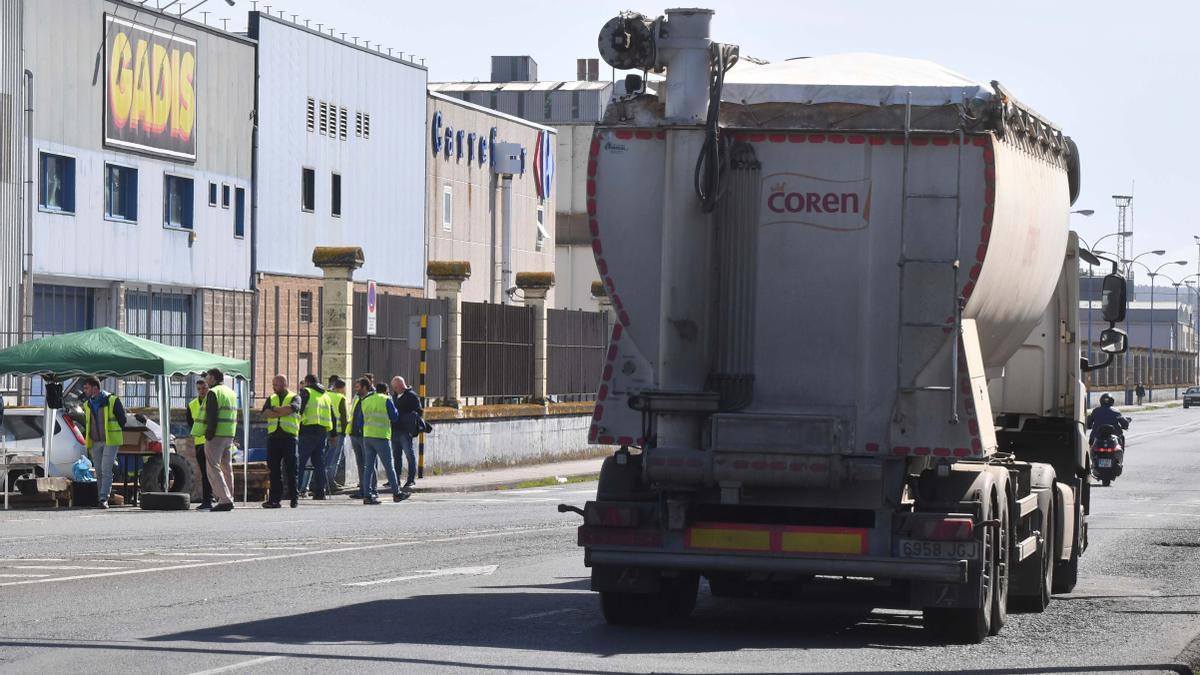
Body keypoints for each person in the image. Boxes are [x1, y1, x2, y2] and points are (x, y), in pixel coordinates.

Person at [354, 377, 407, 504]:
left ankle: (367, 495)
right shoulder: (386, 399)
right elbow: (394, 417)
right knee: (389, 466)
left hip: (367, 437)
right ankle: (397, 493)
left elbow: (359, 421)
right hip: (382, 437)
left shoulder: (364, 401)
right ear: (386, 391)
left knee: (368, 467)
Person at [81, 376, 126, 509]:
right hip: (95, 441)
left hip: (110, 441)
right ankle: (100, 498)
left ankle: (103, 498)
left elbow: (122, 421)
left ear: (95, 388)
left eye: (86, 388)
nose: (84, 391)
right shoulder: (87, 404)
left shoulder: (112, 400)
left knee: (106, 470)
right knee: (99, 471)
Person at [261, 374, 301, 508]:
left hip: (289, 437)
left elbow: (292, 409)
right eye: (273, 384)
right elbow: (266, 413)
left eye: (276, 385)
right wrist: (280, 411)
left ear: (284, 384)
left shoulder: (295, 397)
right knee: (274, 470)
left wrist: (276, 410)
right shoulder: (271, 398)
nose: (273, 387)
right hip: (273, 438)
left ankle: (294, 498)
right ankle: (274, 499)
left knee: (291, 469)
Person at [203, 368, 239, 511]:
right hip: (229, 434)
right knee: (226, 467)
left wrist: (209, 432)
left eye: (207, 377)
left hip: (216, 435)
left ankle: (224, 499)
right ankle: (230, 497)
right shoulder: (231, 392)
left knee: (213, 467)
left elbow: (212, 415)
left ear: (212, 378)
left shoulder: (214, 392)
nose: (206, 379)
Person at [296, 374, 332, 500]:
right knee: (319, 463)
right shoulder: (326, 395)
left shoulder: (306, 392)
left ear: (307, 382)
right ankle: (320, 491)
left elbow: (299, 410)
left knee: (300, 462)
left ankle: (296, 489)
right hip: (322, 432)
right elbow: (332, 415)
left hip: (308, 431)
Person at [185, 380, 214, 511]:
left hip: (212, 441)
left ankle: (211, 498)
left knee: (213, 471)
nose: (202, 391)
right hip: (199, 442)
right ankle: (208, 499)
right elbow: (191, 424)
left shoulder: (213, 402)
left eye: (204, 388)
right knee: (204, 472)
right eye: (199, 389)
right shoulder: (192, 405)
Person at [390, 376, 421, 489]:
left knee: (409, 455)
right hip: (395, 430)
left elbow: (419, 412)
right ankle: (396, 479)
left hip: (405, 431)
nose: (398, 389)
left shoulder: (412, 396)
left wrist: (407, 418)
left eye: (399, 386)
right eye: (396, 387)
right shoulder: (394, 396)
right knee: (396, 456)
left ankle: (411, 479)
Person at [324, 377, 349, 492]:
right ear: (343, 388)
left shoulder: (325, 395)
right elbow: (344, 418)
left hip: (325, 430)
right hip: (338, 432)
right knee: (334, 458)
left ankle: (322, 481)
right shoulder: (341, 398)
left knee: (324, 457)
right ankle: (330, 482)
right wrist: (345, 432)